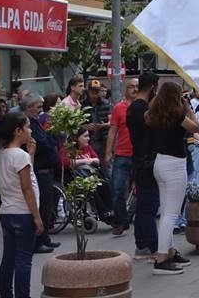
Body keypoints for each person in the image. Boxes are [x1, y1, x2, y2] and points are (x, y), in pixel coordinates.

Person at [145, 81, 198, 275]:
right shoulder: (178, 115)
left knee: (166, 211)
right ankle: (161, 259)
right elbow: (196, 128)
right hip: (175, 165)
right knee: (171, 214)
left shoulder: (152, 114)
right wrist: (188, 107)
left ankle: (169, 251)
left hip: (159, 163)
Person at [0, 112, 43, 298]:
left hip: (7, 212)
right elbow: (27, 188)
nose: (30, 131)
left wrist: (30, 156)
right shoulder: (19, 156)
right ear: (18, 131)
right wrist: (36, 216)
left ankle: (6, 294)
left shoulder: (3, 153)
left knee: (9, 258)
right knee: (23, 259)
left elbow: (26, 179)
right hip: (23, 212)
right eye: (28, 127)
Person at [20, 94, 58, 254]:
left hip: (46, 170)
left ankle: (45, 238)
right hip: (39, 169)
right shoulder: (28, 124)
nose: (41, 110)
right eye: (38, 107)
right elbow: (42, 143)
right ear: (29, 108)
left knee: (47, 206)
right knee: (41, 206)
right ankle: (37, 241)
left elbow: (48, 140)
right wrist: (50, 141)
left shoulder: (36, 122)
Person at [127, 73, 159, 259]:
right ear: (153, 87)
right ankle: (154, 247)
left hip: (139, 159)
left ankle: (142, 244)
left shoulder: (132, 108)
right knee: (149, 206)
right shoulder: (143, 108)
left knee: (142, 206)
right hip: (148, 161)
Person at [59, 128, 112, 223]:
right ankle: (103, 212)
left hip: (89, 175)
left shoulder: (87, 147)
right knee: (92, 189)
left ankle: (111, 210)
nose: (88, 138)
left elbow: (97, 160)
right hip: (74, 177)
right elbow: (65, 162)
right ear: (76, 138)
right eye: (85, 136)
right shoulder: (67, 149)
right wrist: (85, 161)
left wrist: (90, 161)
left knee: (104, 184)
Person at [106, 77, 136, 237]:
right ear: (126, 89)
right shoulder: (119, 108)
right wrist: (108, 152)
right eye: (131, 86)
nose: (134, 89)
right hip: (122, 154)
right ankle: (122, 221)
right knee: (117, 189)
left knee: (142, 189)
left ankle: (135, 217)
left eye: (137, 87)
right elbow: (113, 131)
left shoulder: (143, 107)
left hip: (139, 154)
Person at [84, 80, 111, 165]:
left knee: (105, 167)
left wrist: (103, 125)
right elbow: (77, 124)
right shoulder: (82, 105)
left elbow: (112, 122)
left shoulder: (106, 104)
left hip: (103, 140)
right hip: (89, 140)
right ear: (88, 91)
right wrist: (86, 127)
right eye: (92, 91)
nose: (95, 94)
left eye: (97, 91)